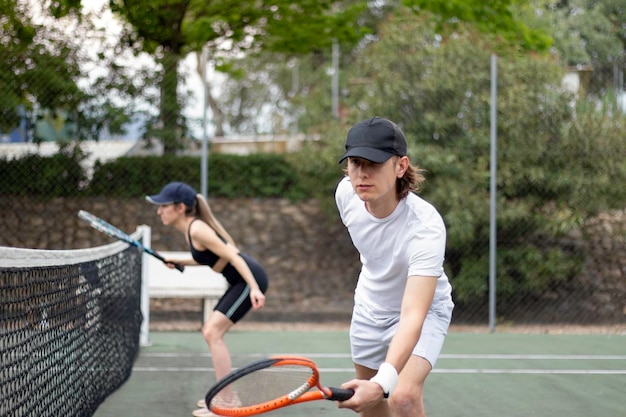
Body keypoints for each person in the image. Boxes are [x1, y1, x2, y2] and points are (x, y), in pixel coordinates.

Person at [334, 117, 454, 417]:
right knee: (371, 408)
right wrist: (376, 390)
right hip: (368, 309)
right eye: (355, 163)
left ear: (400, 167)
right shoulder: (346, 195)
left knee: (401, 396)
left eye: (373, 163)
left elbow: (413, 313)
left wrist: (384, 382)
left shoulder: (426, 227)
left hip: (423, 312)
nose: (362, 173)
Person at [146, 181, 269, 417]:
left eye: (163, 206)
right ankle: (225, 396)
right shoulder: (191, 229)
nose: (159, 211)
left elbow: (233, 255)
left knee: (212, 332)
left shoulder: (197, 229)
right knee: (210, 332)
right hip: (240, 281)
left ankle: (229, 401)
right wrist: (183, 263)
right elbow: (209, 257)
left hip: (248, 279)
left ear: (180, 207)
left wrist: (254, 288)